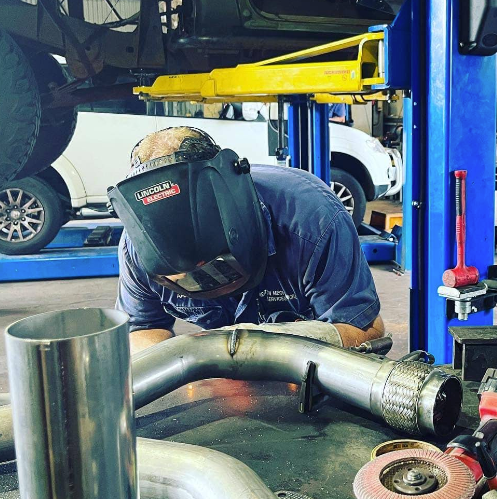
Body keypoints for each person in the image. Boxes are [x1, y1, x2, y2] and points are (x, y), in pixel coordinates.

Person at [108, 126, 384, 353]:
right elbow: (142, 328)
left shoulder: (313, 220)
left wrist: (270, 346)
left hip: (310, 369)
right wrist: (190, 357)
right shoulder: (139, 248)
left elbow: (365, 329)